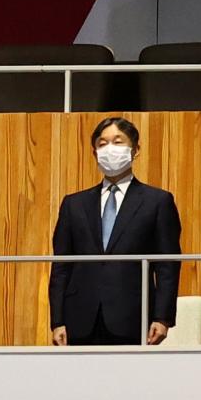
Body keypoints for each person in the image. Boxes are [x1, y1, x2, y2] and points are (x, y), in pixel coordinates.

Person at [49, 116, 181, 346]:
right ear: (94, 153)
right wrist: (57, 320)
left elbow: (168, 264)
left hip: (134, 317)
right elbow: (61, 266)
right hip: (80, 318)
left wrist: (162, 317)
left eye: (118, 142)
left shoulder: (157, 201)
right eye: (102, 144)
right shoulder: (73, 204)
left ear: (135, 149)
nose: (110, 149)